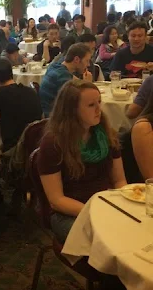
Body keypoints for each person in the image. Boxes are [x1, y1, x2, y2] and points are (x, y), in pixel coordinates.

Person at [37, 80, 127, 243]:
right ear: (72, 110)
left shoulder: (106, 134)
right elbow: (56, 200)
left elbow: (119, 180)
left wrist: (123, 204)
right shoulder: (53, 143)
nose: (99, 109)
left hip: (105, 203)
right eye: (91, 105)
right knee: (107, 238)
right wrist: (97, 211)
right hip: (68, 212)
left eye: (99, 102)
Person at [0, 57, 42, 152]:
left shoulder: (0, 93)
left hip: (14, 153)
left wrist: (0, 118)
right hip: (35, 149)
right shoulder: (31, 91)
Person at [39, 43, 92, 117]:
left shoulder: (56, 66)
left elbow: (75, 80)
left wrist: (83, 82)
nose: (88, 64)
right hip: (56, 118)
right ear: (76, 59)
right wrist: (88, 84)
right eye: (87, 61)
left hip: (49, 112)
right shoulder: (62, 77)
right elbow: (82, 101)